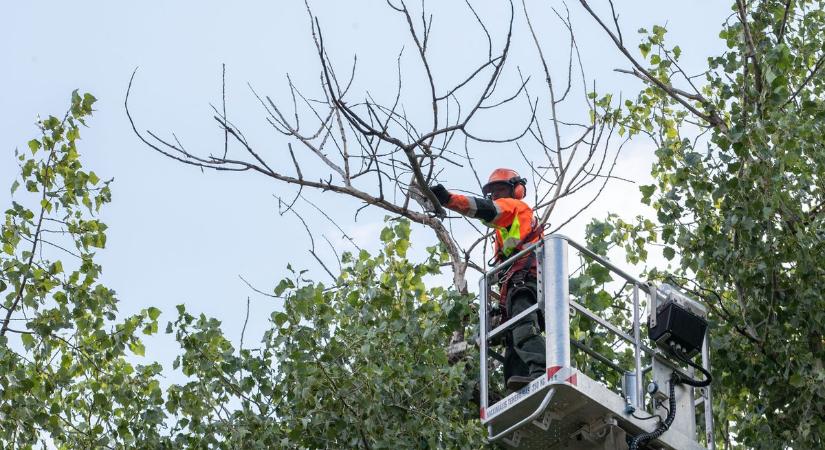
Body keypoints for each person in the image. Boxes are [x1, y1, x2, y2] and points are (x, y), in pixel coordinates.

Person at [430, 168, 546, 390]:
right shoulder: (503, 230)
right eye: (492, 193)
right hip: (514, 282)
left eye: (501, 189)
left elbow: (487, 210)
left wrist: (448, 199)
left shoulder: (516, 207)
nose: (496, 196)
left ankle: (540, 371)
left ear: (517, 190)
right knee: (512, 334)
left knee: (522, 324)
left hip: (526, 279)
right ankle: (519, 384)